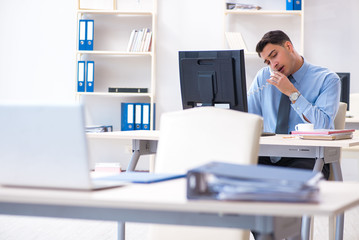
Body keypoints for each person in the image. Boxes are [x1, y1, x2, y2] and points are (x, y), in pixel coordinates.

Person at [247, 30, 341, 180]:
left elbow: (323, 125)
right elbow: (248, 119)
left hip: (308, 157)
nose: (273, 64)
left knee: (288, 184)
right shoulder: (263, 77)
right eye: (268, 62)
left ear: (289, 46)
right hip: (268, 156)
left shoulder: (327, 79)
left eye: (274, 55)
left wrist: (292, 93)